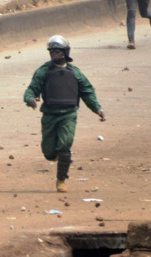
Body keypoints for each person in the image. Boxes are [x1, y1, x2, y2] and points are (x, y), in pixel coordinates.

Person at [24, 35, 105, 193]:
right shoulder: (43, 71)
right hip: (49, 115)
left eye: (57, 51)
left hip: (68, 114)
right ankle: (58, 157)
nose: (54, 54)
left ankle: (61, 180)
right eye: (52, 51)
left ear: (65, 52)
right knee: (48, 153)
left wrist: (97, 109)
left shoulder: (75, 73)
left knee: (65, 145)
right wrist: (30, 99)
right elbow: (31, 89)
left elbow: (87, 92)